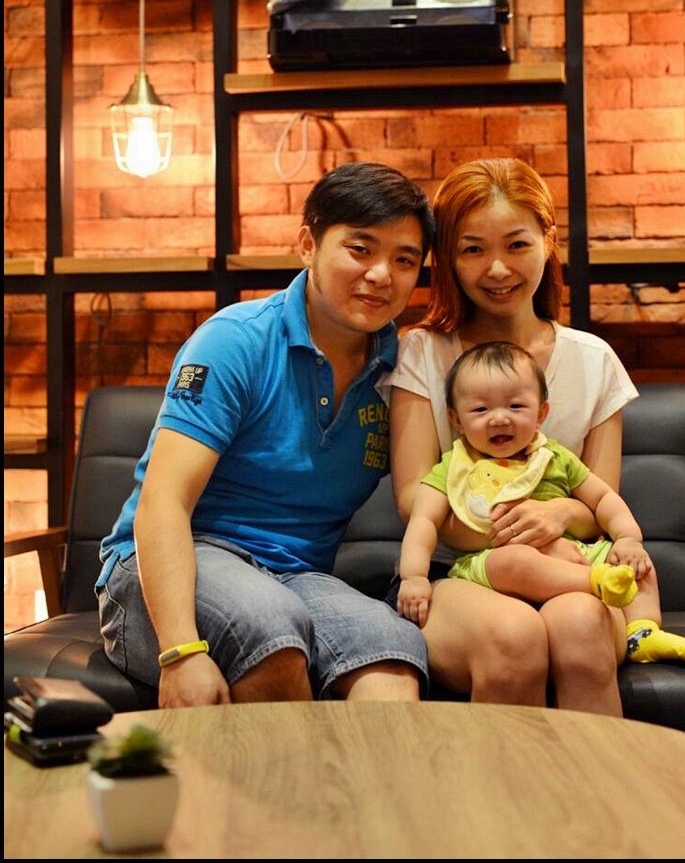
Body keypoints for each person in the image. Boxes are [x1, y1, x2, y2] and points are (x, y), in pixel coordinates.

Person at [96, 161, 434, 708]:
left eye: (405, 260)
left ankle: (366, 796)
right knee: (270, 632)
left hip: (296, 576)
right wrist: (180, 650)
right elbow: (164, 502)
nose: (381, 275)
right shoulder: (235, 340)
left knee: (391, 652)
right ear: (308, 244)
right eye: (360, 249)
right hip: (166, 567)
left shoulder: (403, 372)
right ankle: (280, 796)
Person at [386, 157, 656, 714]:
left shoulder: (593, 359)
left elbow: (600, 499)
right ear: (449, 261)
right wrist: (505, 537)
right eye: (472, 249)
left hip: (572, 565)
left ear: (548, 240)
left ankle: (608, 798)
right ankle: (497, 803)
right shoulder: (422, 352)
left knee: (582, 625)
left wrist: (556, 517)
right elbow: (413, 498)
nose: (497, 269)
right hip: (456, 572)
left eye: (516, 244)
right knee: (512, 637)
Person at [397, 340, 685, 666]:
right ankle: (596, 582)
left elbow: (602, 499)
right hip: (497, 564)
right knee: (513, 559)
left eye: (515, 406)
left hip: (573, 554)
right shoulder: (454, 467)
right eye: (480, 410)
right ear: (456, 420)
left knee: (633, 563)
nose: (499, 418)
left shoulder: (553, 457)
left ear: (541, 413)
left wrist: (629, 538)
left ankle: (642, 632)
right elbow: (423, 520)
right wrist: (414, 576)